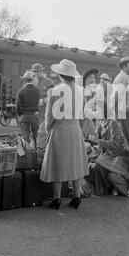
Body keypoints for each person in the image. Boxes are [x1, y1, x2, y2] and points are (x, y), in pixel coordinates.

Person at [40, 59, 89, 210]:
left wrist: (48, 130)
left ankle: (57, 199)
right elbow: (82, 113)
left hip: (60, 128)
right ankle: (77, 196)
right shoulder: (82, 91)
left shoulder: (54, 91)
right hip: (75, 128)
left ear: (61, 74)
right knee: (75, 163)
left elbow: (49, 116)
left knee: (58, 163)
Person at [88, 101, 129, 197]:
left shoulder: (113, 122)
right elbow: (101, 147)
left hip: (120, 154)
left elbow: (114, 144)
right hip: (109, 154)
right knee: (97, 165)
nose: (94, 113)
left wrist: (97, 140)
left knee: (113, 176)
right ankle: (109, 187)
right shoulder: (100, 122)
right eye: (94, 110)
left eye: (96, 110)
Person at [111, 56, 129, 147]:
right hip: (126, 113)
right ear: (124, 66)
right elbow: (115, 96)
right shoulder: (121, 78)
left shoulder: (126, 77)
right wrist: (116, 112)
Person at [15, 71, 40, 149]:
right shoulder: (37, 90)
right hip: (35, 116)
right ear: (32, 80)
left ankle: (26, 155)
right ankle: (36, 153)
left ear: (25, 80)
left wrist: (20, 115)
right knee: (36, 136)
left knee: (25, 136)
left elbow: (18, 106)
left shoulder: (21, 91)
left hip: (24, 116)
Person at [80, 68, 99, 139]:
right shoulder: (80, 92)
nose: (92, 79)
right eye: (90, 77)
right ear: (84, 80)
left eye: (94, 77)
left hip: (95, 125)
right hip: (83, 126)